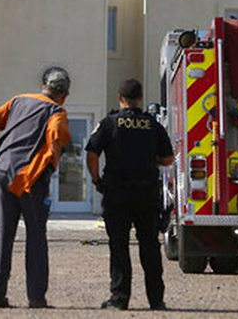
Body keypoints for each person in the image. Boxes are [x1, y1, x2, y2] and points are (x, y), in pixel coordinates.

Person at [0, 66, 72, 309]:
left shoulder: (18, 100)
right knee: (36, 236)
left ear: (43, 86)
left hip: (3, 175)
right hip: (31, 181)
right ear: (64, 94)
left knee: (2, 234)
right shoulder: (57, 112)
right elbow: (55, 142)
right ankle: (36, 298)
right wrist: (51, 167)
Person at [86, 79, 173, 311]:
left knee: (119, 246)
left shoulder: (109, 123)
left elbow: (92, 153)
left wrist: (97, 180)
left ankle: (120, 299)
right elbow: (167, 159)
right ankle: (156, 300)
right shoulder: (154, 125)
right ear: (141, 98)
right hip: (146, 194)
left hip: (117, 193)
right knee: (150, 247)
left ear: (120, 98)